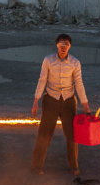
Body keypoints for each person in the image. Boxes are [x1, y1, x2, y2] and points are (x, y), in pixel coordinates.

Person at [30, 33, 91, 176]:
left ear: (70, 47)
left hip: (69, 101)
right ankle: (36, 166)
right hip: (51, 99)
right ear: (57, 45)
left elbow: (79, 83)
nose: (63, 47)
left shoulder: (75, 63)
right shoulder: (48, 60)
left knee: (72, 135)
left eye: (66, 45)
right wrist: (36, 101)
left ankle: (74, 166)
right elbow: (42, 80)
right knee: (44, 134)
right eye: (61, 45)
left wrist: (85, 104)